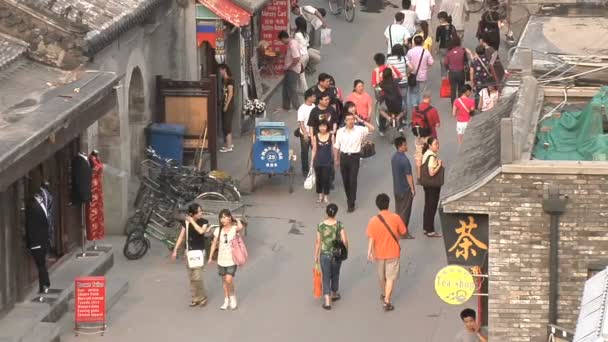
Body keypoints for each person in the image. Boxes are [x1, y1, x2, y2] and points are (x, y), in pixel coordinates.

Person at [366, 193, 407, 311]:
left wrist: (369, 251)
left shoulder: (373, 220)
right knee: (390, 277)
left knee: (381, 277)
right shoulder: (395, 217)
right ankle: (387, 301)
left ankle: (384, 294)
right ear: (389, 204)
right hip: (393, 252)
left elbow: (371, 237)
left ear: (377, 205)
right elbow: (403, 231)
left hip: (379, 253)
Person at [334, 111, 375, 212]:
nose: (351, 121)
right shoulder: (340, 131)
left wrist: (361, 121)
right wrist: (336, 159)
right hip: (344, 157)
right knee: (346, 181)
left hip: (354, 157)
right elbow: (336, 146)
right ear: (345, 121)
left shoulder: (359, 130)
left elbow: (372, 129)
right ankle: (349, 198)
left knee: (353, 180)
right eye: (348, 120)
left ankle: (351, 203)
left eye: (352, 119)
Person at [172, 203, 210, 307]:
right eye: (199, 211)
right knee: (192, 277)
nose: (201, 213)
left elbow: (201, 231)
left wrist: (192, 221)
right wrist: (175, 250)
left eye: (201, 211)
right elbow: (181, 237)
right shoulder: (186, 223)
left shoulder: (204, 222)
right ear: (192, 213)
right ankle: (195, 298)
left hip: (200, 253)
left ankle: (202, 297)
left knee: (197, 277)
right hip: (190, 253)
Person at [208, 209, 246, 310]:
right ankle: (226, 300)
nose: (223, 220)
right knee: (224, 281)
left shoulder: (234, 229)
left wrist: (237, 220)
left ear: (229, 218)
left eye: (225, 217)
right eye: (221, 218)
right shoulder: (218, 230)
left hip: (232, 259)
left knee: (229, 280)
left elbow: (241, 227)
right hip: (221, 260)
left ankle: (232, 297)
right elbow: (213, 244)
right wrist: (210, 257)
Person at [314, 203, 348, 310]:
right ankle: (334, 294)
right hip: (336, 255)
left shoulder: (320, 225)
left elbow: (318, 242)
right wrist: (345, 250)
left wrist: (315, 255)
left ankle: (327, 301)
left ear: (326, 212)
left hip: (324, 254)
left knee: (326, 276)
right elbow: (345, 240)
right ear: (336, 213)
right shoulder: (339, 225)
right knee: (335, 274)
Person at [392, 137, 416, 239]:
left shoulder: (394, 158)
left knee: (398, 210)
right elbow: (409, 176)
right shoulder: (405, 160)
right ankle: (403, 232)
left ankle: (397, 228)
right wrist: (412, 189)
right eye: (405, 145)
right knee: (405, 211)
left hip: (396, 188)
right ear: (400, 146)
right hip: (405, 189)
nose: (406, 146)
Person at [421, 137, 443, 237]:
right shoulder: (431, 157)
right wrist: (439, 165)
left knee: (427, 206)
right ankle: (430, 230)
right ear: (430, 146)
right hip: (432, 185)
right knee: (432, 207)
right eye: (435, 144)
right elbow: (432, 172)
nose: (437, 146)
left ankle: (426, 227)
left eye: (437, 143)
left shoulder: (426, 153)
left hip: (427, 184)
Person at [406, 35, 434, 108]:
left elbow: (407, 63)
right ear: (422, 42)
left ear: (414, 43)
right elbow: (431, 62)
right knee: (422, 92)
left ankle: (415, 106)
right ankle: (421, 107)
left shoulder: (410, 52)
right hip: (422, 76)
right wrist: (426, 65)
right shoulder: (426, 52)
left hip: (412, 76)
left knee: (413, 92)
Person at [311, 120, 334, 203]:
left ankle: (326, 196)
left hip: (328, 162)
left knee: (326, 179)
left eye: (324, 126)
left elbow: (333, 149)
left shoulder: (331, 136)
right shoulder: (315, 136)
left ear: (327, 127)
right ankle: (320, 195)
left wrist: (335, 160)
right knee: (319, 179)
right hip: (318, 161)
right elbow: (314, 150)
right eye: (321, 126)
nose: (322, 128)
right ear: (318, 127)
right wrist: (312, 161)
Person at [387, 44, 413, 115]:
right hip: (404, 82)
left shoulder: (389, 59)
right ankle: (405, 117)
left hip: (394, 83)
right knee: (404, 99)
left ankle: (396, 115)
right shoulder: (404, 58)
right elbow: (411, 67)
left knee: (395, 99)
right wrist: (406, 73)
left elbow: (387, 70)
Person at [279, 30, 302, 111]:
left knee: (292, 89)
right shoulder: (293, 42)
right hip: (290, 69)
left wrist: (290, 67)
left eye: (282, 41)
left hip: (292, 70)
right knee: (285, 87)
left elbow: (297, 58)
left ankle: (298, 107)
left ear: (283, 38)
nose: (282, 43)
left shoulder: (292, 45)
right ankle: (286, 106)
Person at [378, 68, 404, 134]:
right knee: (403, 110)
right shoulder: (396, 81)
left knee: (381, 111)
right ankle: (400, 125)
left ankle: (382, 129)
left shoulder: (382, 84)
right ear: (391, 74)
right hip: (398, 103)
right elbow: (400, 78)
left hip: (388, 105)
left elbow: (378, 88)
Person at [444, 35, 468, 104]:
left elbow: (445, 63)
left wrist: (448, 69)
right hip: (461, 72)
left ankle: (454, 105)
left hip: (452, 73)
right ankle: (461, 104)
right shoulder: (462, 50)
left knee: (453, 90)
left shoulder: (449, 52)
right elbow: (465, 61)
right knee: (461, 89)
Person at [298, 89, 316, 175]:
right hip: (304, 134)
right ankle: (305, 170)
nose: (315, 98)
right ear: (308, 97)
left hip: (314, 134)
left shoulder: (314, 106)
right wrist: (305, 134)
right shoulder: (302, 108)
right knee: (305, 152)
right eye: (313, 96)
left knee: (315, 151)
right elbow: (301, 122)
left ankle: (315, 169)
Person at [219, 64, 235, 153]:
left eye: (221, 70)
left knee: (227, 125)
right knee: (226, 124)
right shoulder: (223, 80)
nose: (220, 72)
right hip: (224, 104)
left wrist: (226, 105)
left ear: (224, 70)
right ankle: (230, 143)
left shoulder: (230, 81)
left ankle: (229, 146)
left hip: (229, 105)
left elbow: (230, 94)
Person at [436, 11, 456, 79]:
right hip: (451, 48)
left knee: (443, 65)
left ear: (442, 18)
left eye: (439, 19)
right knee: (451, 64)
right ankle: (451, 79)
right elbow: (455, 38)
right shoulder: (452, 27)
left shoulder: (439, 28)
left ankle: (444, 81)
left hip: (442, 48)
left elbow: (437, 40)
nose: (439, 20)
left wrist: (436, 49)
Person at [294, 17, 312, 90]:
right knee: (300, 72)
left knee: (301, 74)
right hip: (306, 55)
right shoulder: (306, 34)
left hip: (300, 56)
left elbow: (295, 45)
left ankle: (305, 90)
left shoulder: (297, 35)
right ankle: (298, 87)